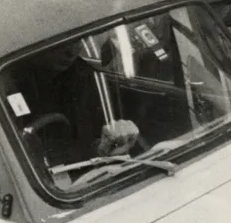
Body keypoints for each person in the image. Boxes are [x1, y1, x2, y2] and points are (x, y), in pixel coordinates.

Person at [8, 40, 140, 174]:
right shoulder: (7, 82)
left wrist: (107, 144)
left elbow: (97, 133)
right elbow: (24, 153)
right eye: (62, 42)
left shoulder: (86, 77)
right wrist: (96, 150)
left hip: (94, 170)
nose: (71, 52)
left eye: (78, 42)